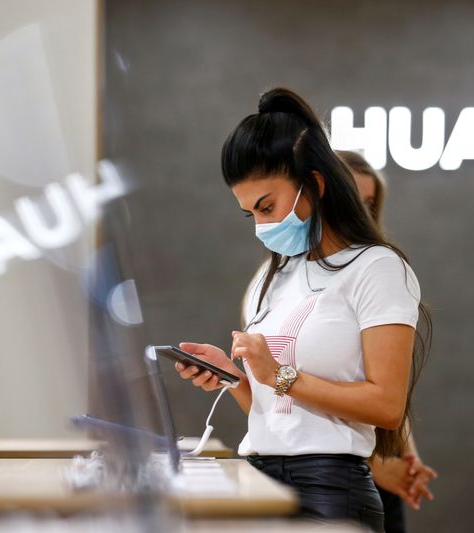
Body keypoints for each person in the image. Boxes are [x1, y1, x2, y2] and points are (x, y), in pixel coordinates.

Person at [175, 87, 431, 532]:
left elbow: (387, 404)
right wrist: (233, 377)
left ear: (314, 184)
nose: (261, 226)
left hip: (329, 490)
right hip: (257, 480)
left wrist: (280, 375)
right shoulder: (269, 279)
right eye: (249, 213)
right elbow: (274, 411)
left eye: (268, 206)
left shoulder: (378, 269)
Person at [337, 150, 437, 533]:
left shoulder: (380, 271)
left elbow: (389, 393)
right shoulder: (285, 281)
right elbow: (288, 391)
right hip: (341, 472)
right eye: (352, 200)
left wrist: (406, 458)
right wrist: (376, 466)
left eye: (369, 204)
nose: (361, 215)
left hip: (379, 468)